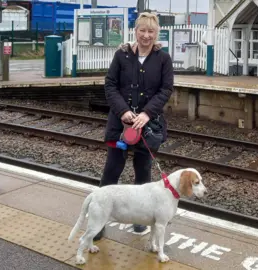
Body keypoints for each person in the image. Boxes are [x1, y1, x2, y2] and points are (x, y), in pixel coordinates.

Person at [94, 12, 174, 241]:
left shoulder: (163, 59)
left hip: (147, 127)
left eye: (150, 31)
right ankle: (98, 220)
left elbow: (166, 89)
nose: (146, 36)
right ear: (135, 30)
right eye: (142, 30)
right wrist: (124, 111)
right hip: (120, 125)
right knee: (111, 171)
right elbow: (110, 85)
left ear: (156, 33)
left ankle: (140, 219)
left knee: (143, 174)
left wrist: (147, 114)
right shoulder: (122, 55)